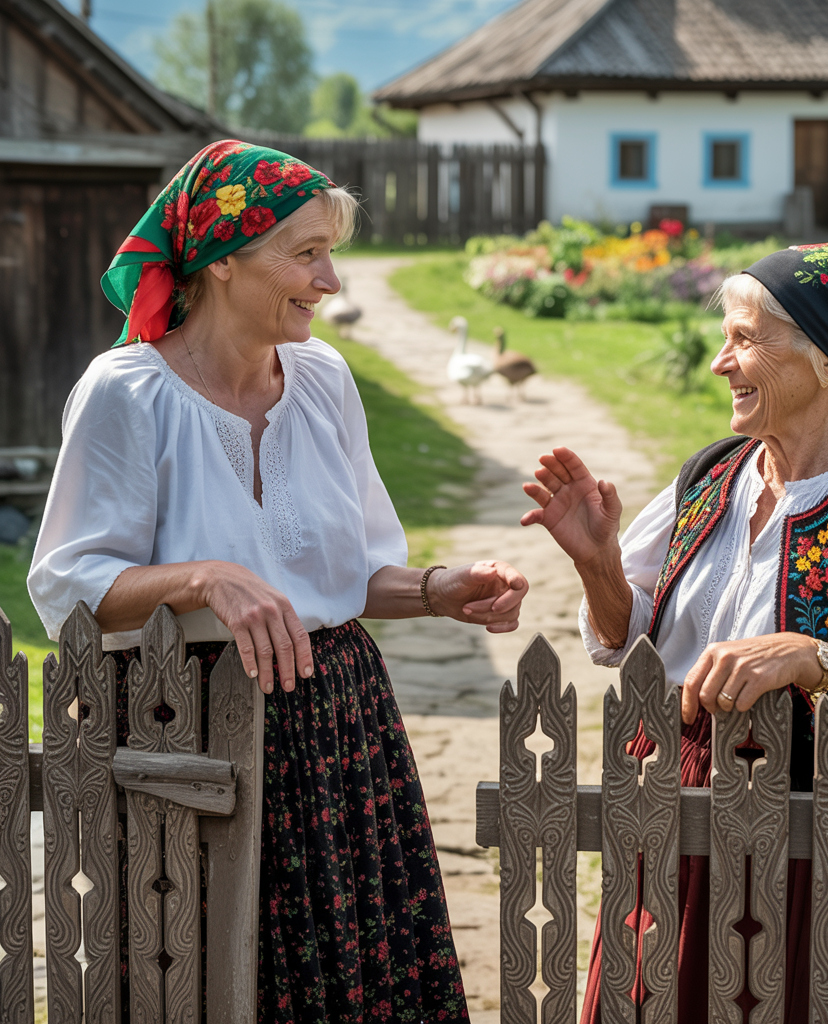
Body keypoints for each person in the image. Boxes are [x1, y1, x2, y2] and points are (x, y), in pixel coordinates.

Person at [29, 139, 529, 1024]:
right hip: (185, 726)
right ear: (222, 262)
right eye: (305, 254)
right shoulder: (128, 393)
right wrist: (203, 578)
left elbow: (346, 570)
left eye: (329, 252)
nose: (330, 280)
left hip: (337, 721)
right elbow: (69, 584)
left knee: (353, 976)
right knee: (205, 973)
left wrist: (437, 588)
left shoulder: (326, 380)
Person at [522, 243, 828, 1024]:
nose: (719, 364)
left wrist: (815, 658)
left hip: (817, 839)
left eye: (744, 339)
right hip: (674, 808)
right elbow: (631, 642)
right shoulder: (713, 477)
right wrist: (598, 563)